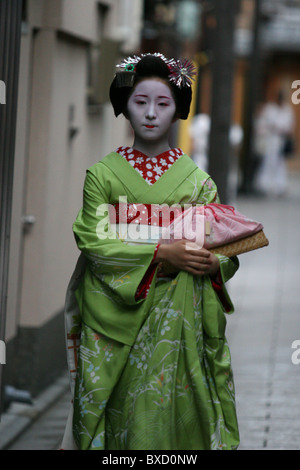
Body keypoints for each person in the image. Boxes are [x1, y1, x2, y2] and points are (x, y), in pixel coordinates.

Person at [64, 53, 240, 450]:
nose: (150, 113)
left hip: (181, 318)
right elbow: (93, 239)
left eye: (162, 103)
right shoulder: (103, 175)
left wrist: (215, 263)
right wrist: (161, 252)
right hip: (114, 315)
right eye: (140, 101)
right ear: (124, 105)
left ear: (179, 109)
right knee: (120, 409)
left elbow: (226, 250)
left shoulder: (198, 183)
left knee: (170, 408)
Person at [254, 91, 295, 196]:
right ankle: (264, 185)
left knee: (280, 163)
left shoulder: (287, 110)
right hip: (270, 139)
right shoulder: (270, 109)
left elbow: (290, 126)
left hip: (281, 140)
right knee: (268, 162)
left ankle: (279, 186)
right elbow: (262, 123)